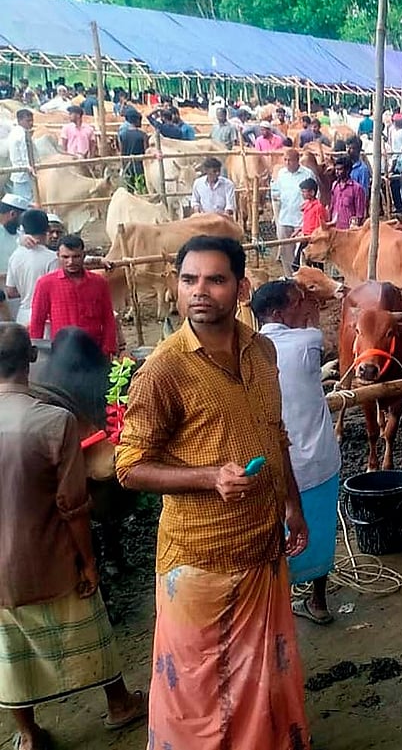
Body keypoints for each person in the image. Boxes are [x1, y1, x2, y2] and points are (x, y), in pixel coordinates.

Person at [115, 236, 311, 750]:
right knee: (199, 698)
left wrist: (293, 505)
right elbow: (129, 467)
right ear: (177, 287)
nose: (200, 291)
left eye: (215, 279)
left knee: (260, 682)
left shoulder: (262, 349)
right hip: (201, 559)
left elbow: (275, 434)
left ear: (241, 288)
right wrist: (209, 477)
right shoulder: (164, 369)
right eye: (189, 280)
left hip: (263, 548)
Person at [0, 323, 147, 750]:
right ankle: (120, 704)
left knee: (10, 648)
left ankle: (27, 735)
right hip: (53, 556)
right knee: (89, 631)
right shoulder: (54, 420)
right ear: (33, 358)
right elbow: (73, 503)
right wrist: (87, 561)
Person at [250, 281, 341, 625]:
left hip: (271, 464)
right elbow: (321, 335)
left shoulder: (249, 349)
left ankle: (278, 606)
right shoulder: (309, 340)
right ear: (277, 313)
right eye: (297, 303)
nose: (304, 306)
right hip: (317, 458)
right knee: (319, 528)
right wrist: (311, 314)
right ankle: (318, 601)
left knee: (276, 536)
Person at [29, 234, 120, 356]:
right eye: (65, 257)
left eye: (76, 257)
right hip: (62, 353)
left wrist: (108, 348)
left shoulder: (99, 282)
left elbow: (108, 318)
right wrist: (35, 352)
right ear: (58, 256)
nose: (70, 262)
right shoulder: (46, 284)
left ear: (83, 255)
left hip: (94, 351)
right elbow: (37, 321)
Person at [6, 209, 60, 330]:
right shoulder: (52, 258)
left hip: (23, 316)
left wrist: (27, 291)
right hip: (46, 318)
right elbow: (55, 291)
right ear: (47, 229)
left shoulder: (15, 256)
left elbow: (11, 291)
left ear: (24, 229)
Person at [271, 148, 316, 270]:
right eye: (285, 160)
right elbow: (276, 193)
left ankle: (301, 277)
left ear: (297, 161)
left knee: (300, 252)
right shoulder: (281, 174)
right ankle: (288, 278)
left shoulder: (307, 174)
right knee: (286, 250)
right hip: (285, 217)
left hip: (301, 220)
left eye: (289, 160)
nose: (286, 163)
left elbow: (315, 194)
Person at [331, 156, 367, 227]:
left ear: (347, 170)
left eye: (340, 169)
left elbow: (359, 214)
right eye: (336, 169)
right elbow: (332, 207)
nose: (337, 172)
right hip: (335, 228)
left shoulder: (357, 188)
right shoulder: (335, 186)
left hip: (349, 231)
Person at [7, 109, 34, 202]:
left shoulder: (15, 132)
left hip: (18, 172)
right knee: (26, 200)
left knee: (20, 199)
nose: (31, 123)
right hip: (24, 173)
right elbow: (25, 153)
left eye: (32, 120)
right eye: (28, 121)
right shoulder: (21, 134)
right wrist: (29, 167)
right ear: (20, 121)